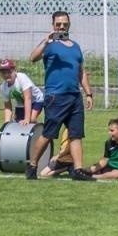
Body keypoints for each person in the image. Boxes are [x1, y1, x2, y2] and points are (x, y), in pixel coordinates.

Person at [27, 10, 95, 181]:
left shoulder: (76, 46)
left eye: (65, 23)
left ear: (69, 24)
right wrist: (46, 41)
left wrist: (88, 93)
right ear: (53, 25)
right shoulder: (49, 45)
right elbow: (32, 58)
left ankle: (78, 170)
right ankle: (32, 165)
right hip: (56, 97)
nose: (62, 26)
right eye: (58, 24)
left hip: (74, 97)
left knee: (76, 134)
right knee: (49, 133)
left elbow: (81, 72)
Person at [0, 58, 44, 126]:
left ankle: (42, 131)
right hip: (21, 103)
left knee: (31, 119)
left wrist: (26, 119)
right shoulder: (3, 87)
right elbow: (7, 107)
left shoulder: (22, 78)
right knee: (18, 123)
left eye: (9, 71)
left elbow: (28, 99)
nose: (6, 74)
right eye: (3, 72)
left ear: (15, 70)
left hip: (36, 100)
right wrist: (6, 123)